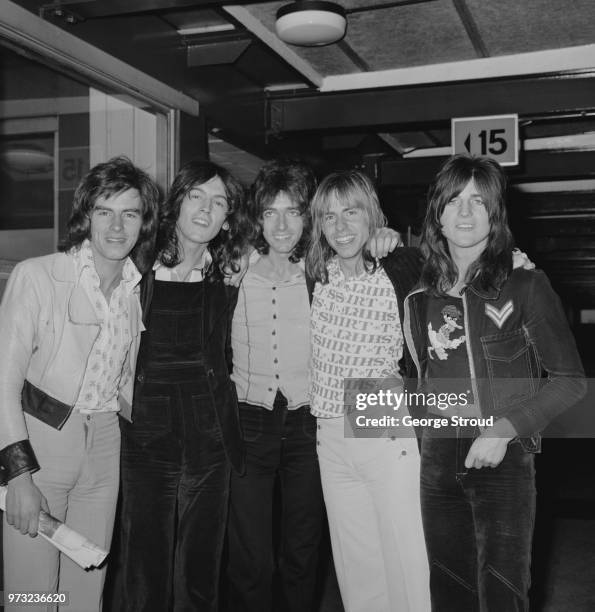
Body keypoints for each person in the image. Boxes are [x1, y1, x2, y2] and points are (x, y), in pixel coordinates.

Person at [403, 154, 586, 611]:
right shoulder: (419, 292)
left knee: (503, 595)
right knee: (448, 591)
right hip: (438, 454)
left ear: (495, 215)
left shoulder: (525, 284)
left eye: (479, 202)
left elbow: (570, 382)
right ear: (437, 214)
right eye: (455, 201)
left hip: (502, 455)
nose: (466, 213)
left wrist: (503, 430)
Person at [0, 156, 160, 612]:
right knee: (31, 592)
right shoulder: (39, 276)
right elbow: (2, 383)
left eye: (130, 213)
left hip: (105, 444)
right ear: (86, 215)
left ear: (143, 223)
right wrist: (18, 474)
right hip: (43, 444)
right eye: (105, 211)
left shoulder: (134, 290)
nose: (116, 226)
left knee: (85, 589)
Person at [109, 160, 245, 612]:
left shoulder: (228, 272)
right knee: (144, 562)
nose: (206, 209)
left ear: (227, 218)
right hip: (146, 431)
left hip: (209, 433)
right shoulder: (137, 264)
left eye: (219, 202)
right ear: (177, 202)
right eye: (196, 197)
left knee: (201, 565)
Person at [306, 169, 431, 612]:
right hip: (328, 426)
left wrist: (515, 263)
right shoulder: (314, 275)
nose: (340, 227)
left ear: (372, 214)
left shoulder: (401, 266)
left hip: (378, 410)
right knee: (355, 566)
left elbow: (459, 271)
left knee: (406, 558)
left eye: (351, 212)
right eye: (328, 216)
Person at [226, 159, 324, 612]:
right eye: (270, 212)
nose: (281, 224)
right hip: (248, 417)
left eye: (293, 211)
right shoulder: (233, 270)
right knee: (250, 551)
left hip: (308, 418)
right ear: (257, 218)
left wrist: (391, 239)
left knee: (303, 545)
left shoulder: (321, 271)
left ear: (307, 217)